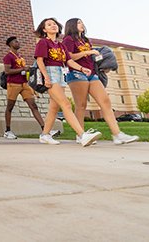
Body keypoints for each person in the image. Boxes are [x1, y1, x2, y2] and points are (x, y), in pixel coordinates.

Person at [62, 18, 139, 145]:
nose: (82, 24)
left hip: (92, 74)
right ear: (72, 26)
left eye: (82, 22)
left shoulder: (86, 40)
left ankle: (117, 135)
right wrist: (88, 52)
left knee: (105, 101)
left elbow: (91, 57)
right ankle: (80, 135)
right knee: (81, 105)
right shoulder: (68, 39)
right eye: (79, 22)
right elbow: (68, 57)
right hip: (76, 73)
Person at [34, 17, 101, 147]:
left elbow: (69, 61)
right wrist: (46, 77)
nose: (53, 26)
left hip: (61, 73)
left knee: (54, 107)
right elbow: (40, 61)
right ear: (44, 29)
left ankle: (45, 135)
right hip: (50, 73)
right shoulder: (43, 43)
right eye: (49, 25)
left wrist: (81, 68)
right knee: (66, 104)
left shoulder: (61, 45)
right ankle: (82, 135)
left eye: (54, 24)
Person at [2, 36, 51, 140]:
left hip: (25, 84)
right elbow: (7, 71)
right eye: (16, 42)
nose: (18, 43)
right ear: (10, 44)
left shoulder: (20, 56)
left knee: (33, 106)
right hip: (13, 84)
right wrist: (22, 69)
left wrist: (27, 70)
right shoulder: (8, 57)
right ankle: (7, 130)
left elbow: (22, 69)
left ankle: (45, 130)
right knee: (10, 107)